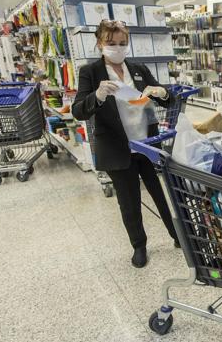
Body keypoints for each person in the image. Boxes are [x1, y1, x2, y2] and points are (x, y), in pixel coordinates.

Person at [72, 20, 180, 268]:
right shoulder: (90, 72)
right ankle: (139, 246)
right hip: (117, 148)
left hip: (147, 145)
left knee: (162, 195)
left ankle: (177, 236)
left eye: (122, 43)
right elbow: (79, 111)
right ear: (100, 43)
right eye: (111, 43)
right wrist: (97, 95)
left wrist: (162, 92)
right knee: (129, 202)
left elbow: (167, 99)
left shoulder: (138, 68)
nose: (118, 48)